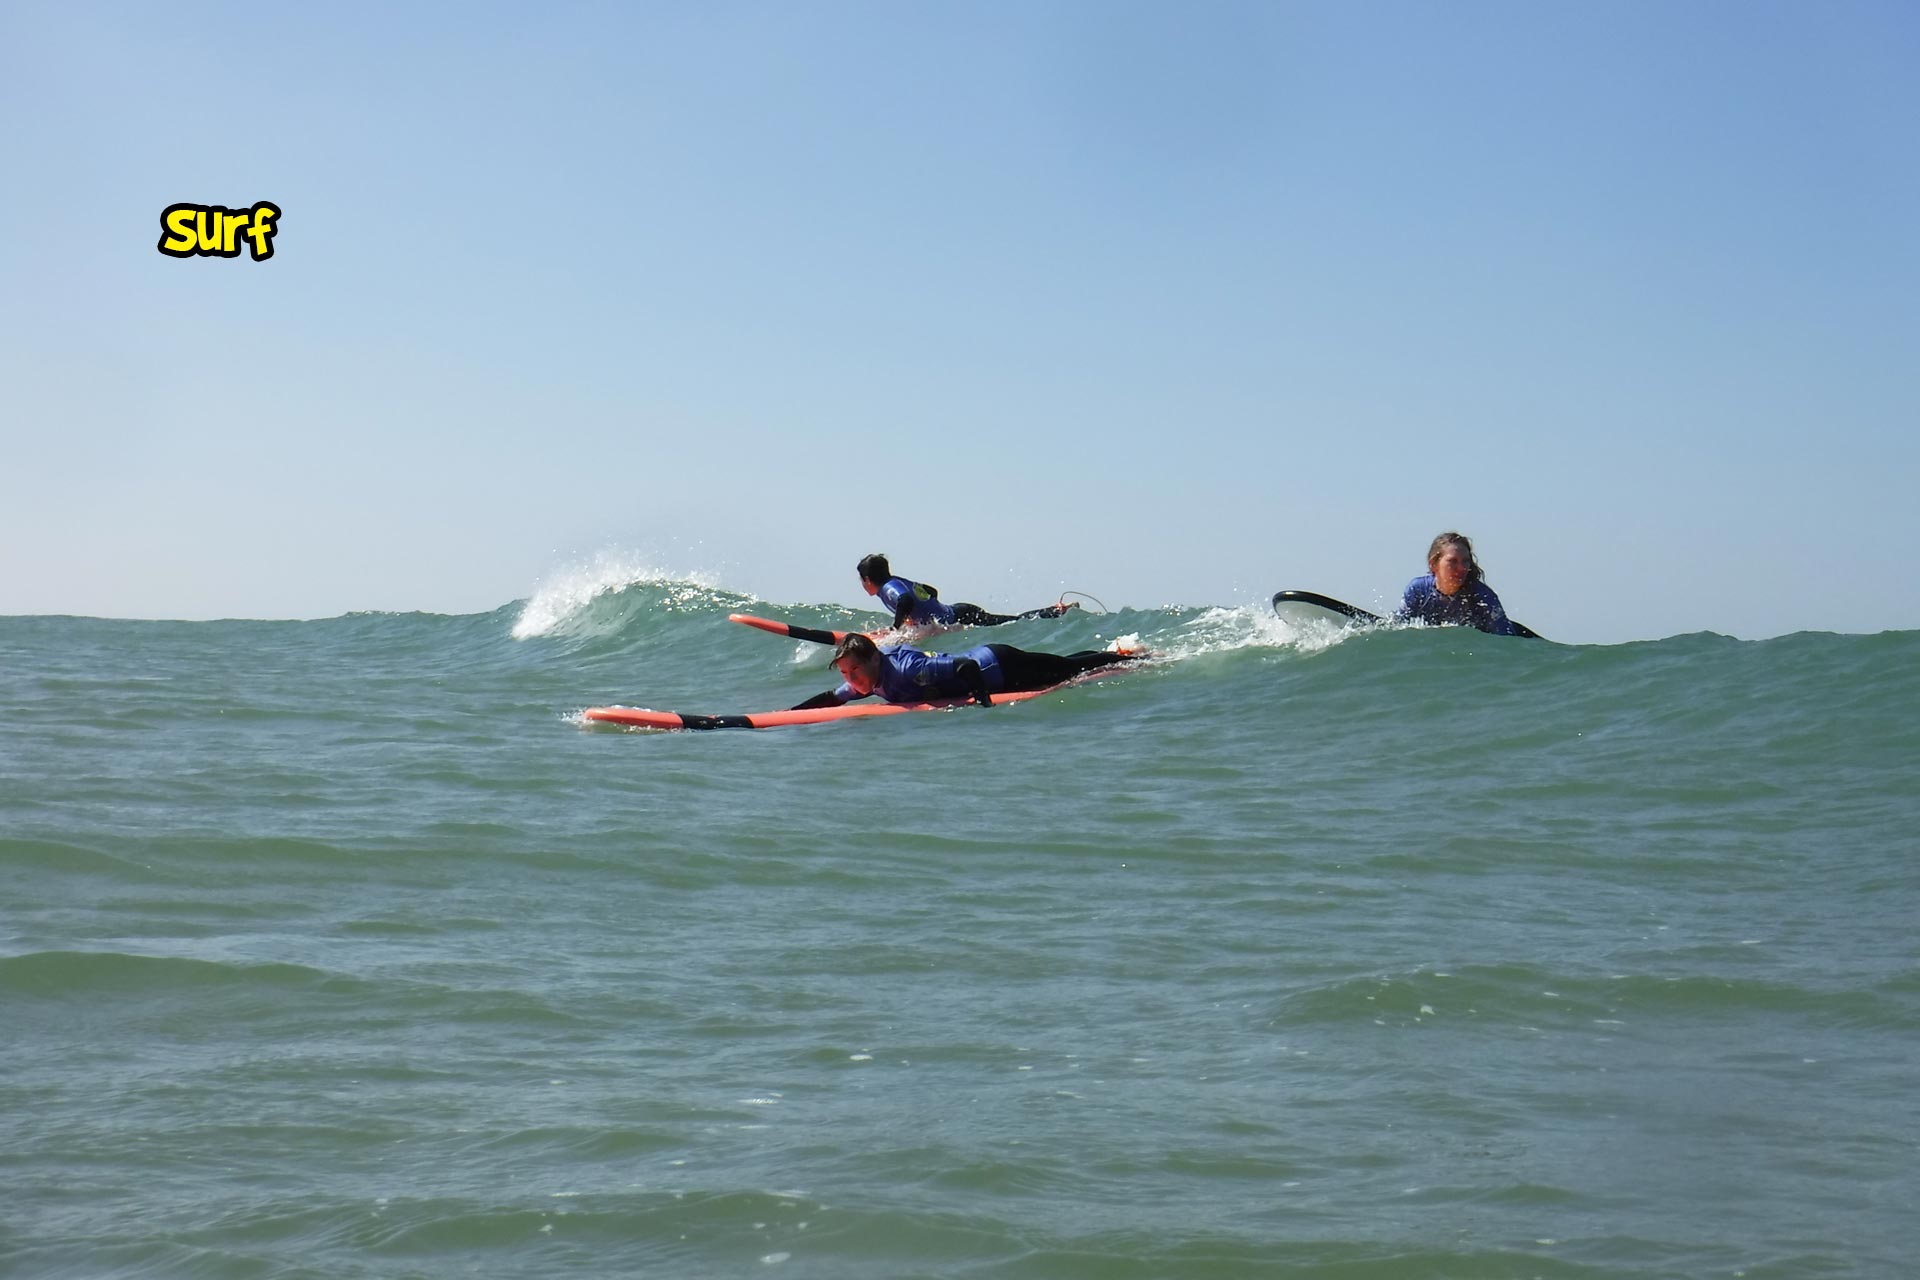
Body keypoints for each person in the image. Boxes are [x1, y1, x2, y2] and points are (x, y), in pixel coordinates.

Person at [791, 633, 1143, 711]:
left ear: (873, 660)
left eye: (854, 671)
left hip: (1000, 665)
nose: (850, 680)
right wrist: (788, 715)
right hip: (996, 667)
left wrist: (983, 702)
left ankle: (1127, 658)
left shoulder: (908, 667)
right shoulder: (867, 679)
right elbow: (831, 699)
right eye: (845, 674)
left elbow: (966, 666)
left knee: (1066, 669)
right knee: (1064, 664)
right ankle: (1115, 653)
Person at [856, 553, 1075, 630]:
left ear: (867, 579)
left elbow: (905, 600)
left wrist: (897, 628)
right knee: (1012, 621)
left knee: (1016, 622)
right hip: (959, 610)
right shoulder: (898, 581)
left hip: (962, 615)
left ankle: (1057, 611)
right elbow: (931, 592)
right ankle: (1056, 610)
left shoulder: (889, 589)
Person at [1396, 532, 1519, 636]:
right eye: (1453, 561)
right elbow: (1399, 629)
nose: (1461, 568)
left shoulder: (1482, 596)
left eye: (1465, 561)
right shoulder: (1418, 590)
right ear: (1433, 565)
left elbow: (1506, 638)